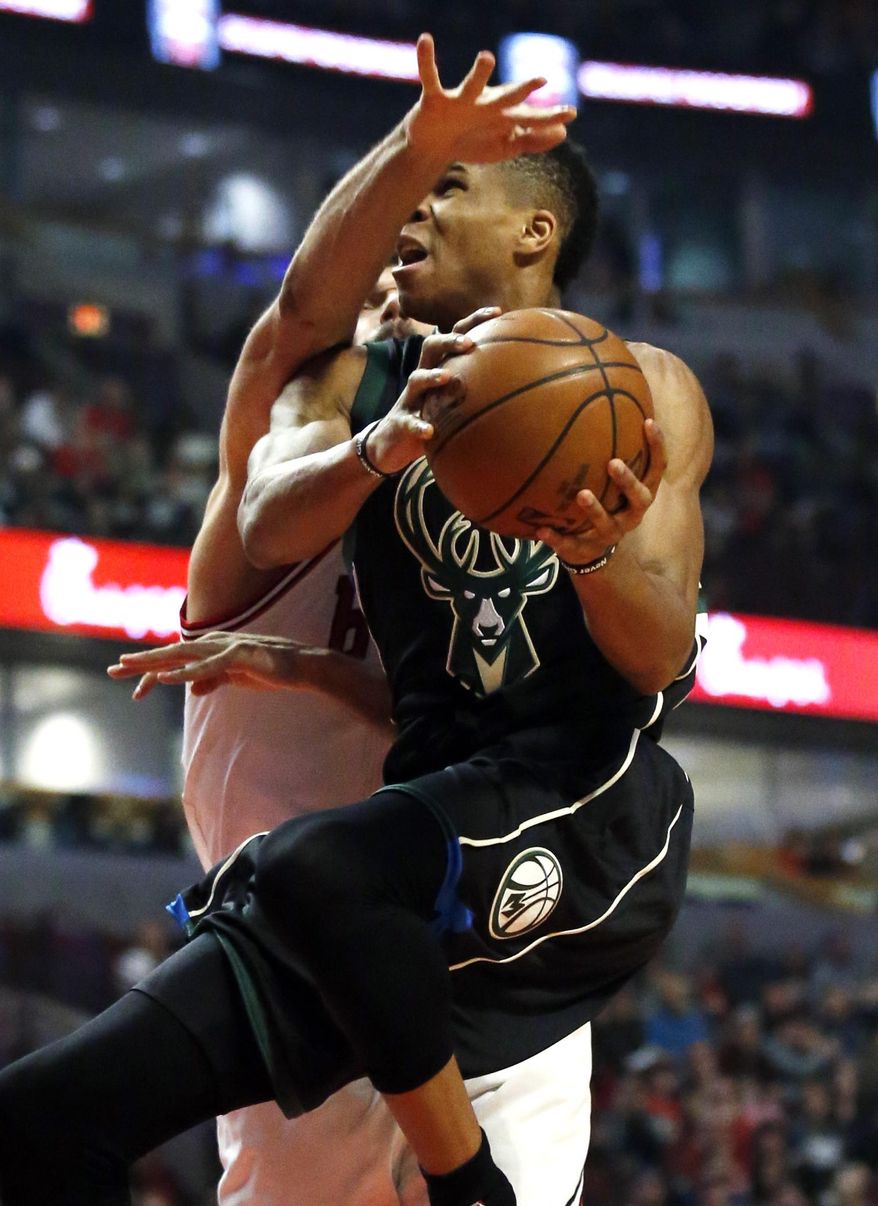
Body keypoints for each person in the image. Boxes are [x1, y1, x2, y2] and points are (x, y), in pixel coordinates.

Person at [0, 34, 711, 1206]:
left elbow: (652, 663)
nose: (402, 227)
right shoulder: (342, 396)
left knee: (321, 872)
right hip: (339, 924)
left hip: (498, 876)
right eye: (399, 201)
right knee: (56, 1110)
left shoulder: (630, 388)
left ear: (533, 235)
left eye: (441, 192)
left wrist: (592, 551)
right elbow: (292, 360)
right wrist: (379, 461)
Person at [109, 267, 432, 1206]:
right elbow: (286, 330)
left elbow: (481, 727)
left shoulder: (468, 540)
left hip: (435, 936)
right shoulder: (260, 516)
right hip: (284, 955)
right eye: (371, 294)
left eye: (416, 294)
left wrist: (307, 668)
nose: (398, 304)